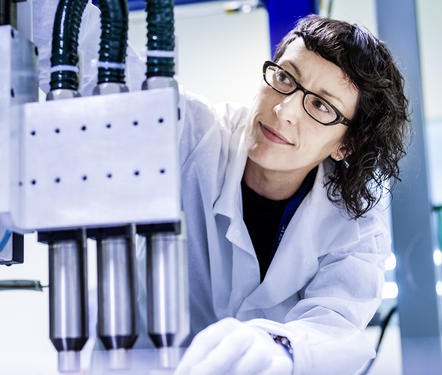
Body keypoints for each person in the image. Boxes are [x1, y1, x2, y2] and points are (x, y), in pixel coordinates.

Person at [33, 3, 409, 374]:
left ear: (346, 144)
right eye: (285, 79)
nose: (285, 110)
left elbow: (336, 327)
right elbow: (85, 52)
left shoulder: (352, 224)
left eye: (322, 106)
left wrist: (279, 348)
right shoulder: (191, 135)